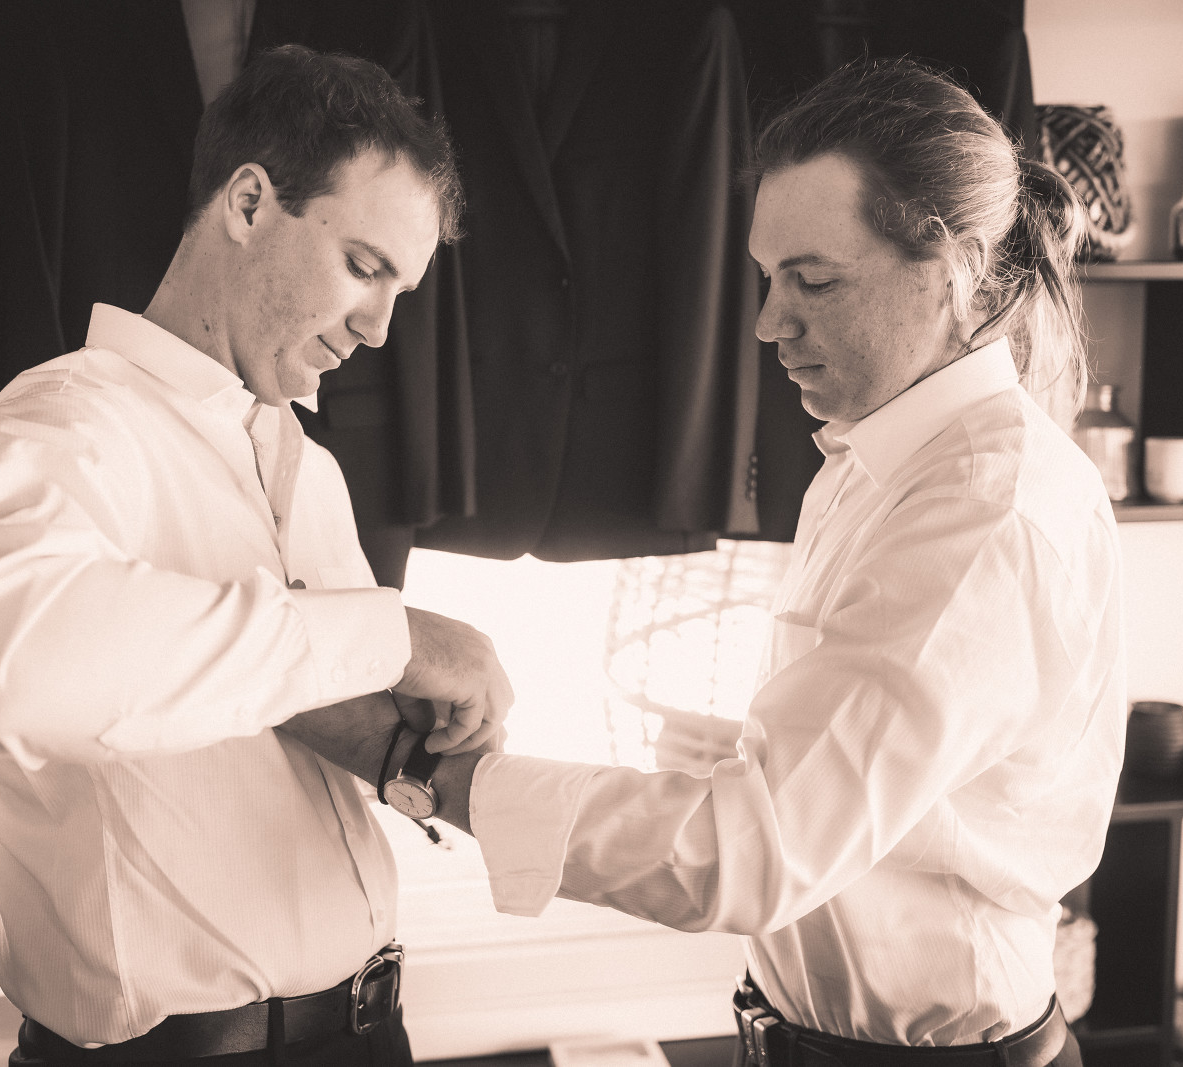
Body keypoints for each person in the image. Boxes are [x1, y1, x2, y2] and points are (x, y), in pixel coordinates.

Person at [285, 57, 1125, 1067]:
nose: (769, 322)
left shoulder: (980, 512)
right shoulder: (870, 463)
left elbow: (753, 853)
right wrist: (752, 751)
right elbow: (912, 789)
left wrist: (425, 771)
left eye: (813, 280)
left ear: (951, 267)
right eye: (768, 278)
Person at [0, 44, 511, 1067]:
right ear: (247, 204)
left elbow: (267, 707)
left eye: (401, 289)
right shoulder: (60, 427)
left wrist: (401, 753)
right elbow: (5, 671)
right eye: (364, 267)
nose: (380, 329)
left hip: (370, 1033)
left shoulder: (309, 469)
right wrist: (395, 636)